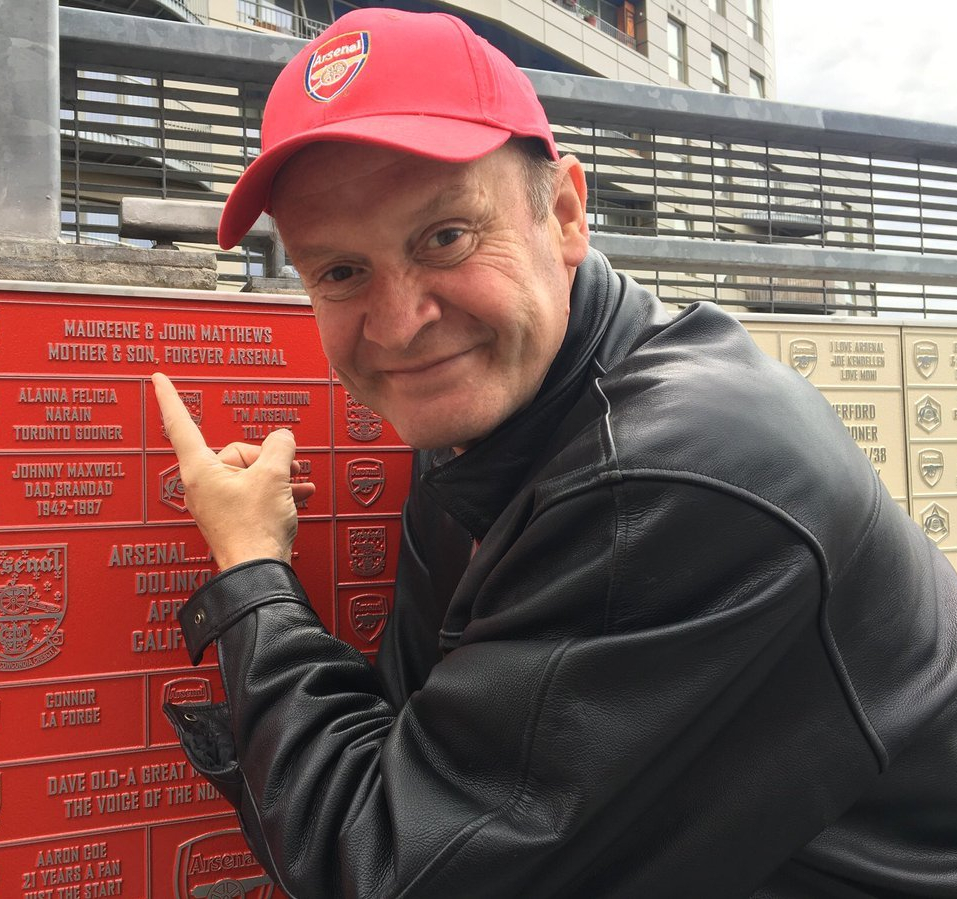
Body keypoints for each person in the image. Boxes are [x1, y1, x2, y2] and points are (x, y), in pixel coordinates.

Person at [154, 8, 957, 898]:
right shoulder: (487, 421)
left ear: (566, 214)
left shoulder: (670, 473)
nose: (400, 324)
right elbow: (410, 730)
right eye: (341, 272)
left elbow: (385, 871)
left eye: (446, 236)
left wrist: (252, 574)